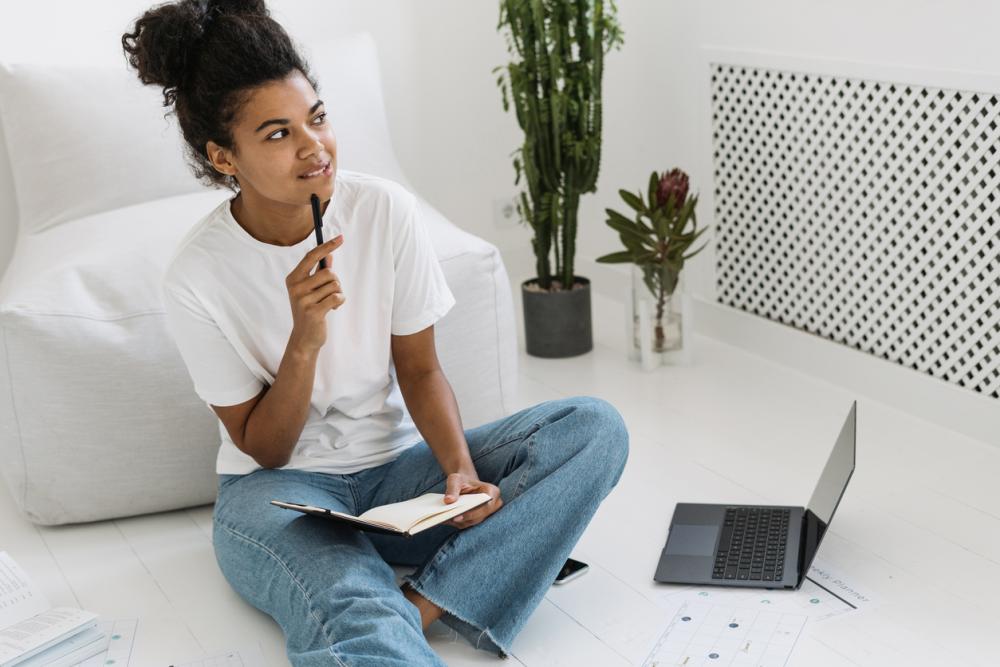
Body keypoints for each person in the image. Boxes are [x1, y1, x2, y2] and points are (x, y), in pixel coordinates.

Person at [122, 1, 629, 665]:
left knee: (593, 427)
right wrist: (304, 339)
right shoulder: (197, 274)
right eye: (278, 134)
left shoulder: (383, 211)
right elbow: (265, 448)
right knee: (349, 598)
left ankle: (425, 604)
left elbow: (419, 370)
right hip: (280, 494)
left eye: (319, 117)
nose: (315, 147)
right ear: (224, 156)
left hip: (396, 477)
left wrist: (457, 473)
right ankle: (395, 610)